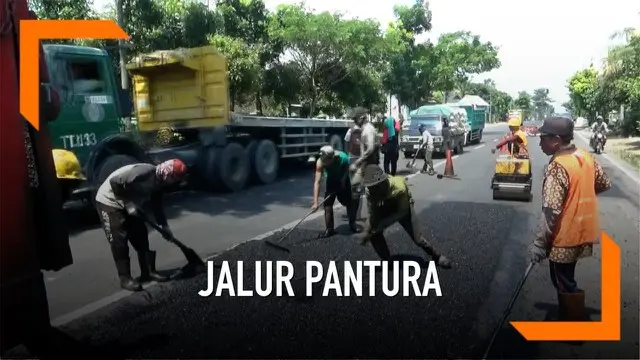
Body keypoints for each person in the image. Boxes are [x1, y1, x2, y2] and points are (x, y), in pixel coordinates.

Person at [530, 117, 611, 321]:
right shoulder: (585, 156)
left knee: (563, 281)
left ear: (556, 140)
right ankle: (569, 315)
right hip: (585, 229)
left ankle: (574, 327)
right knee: (566, 277)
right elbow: (603, 183)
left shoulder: (557, 167)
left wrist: (540, 244)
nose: (539, 143)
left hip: (565, 236)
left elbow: (551, 211)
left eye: (543, 139)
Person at [95, 158, 188, 291]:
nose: (175, 182)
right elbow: (114, 183)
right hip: (110, 200)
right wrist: (128, 204)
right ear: (168, 174)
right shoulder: (143, 173)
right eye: (175, 179)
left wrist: (164, 226)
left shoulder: (160, 182)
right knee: (119, 241)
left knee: (140, 234)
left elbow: (157, 206)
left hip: (130, 201)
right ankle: (125, 278)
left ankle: (148, 272)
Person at [359, 164, 452, 268]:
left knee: (418, 239)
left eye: (375, 187)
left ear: (383, 183)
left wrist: (383, 224)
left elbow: (401, 212)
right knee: (374, 233)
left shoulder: (399, 186)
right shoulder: (370, 191)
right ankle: (387, 260)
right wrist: (367, 231)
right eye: (371, 188)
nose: (373, 191)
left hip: (403, 208)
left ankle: (437, 256)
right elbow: (373, 213)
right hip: (384, 206)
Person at [312, 145, 359, 237]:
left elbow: (346, 171)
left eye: (327, 162)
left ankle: (352, 224)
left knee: (349, 202)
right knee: (327, 204)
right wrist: (315, 202)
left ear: (332, 158)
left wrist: (342, 183)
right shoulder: (320, 162)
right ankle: (329, 229)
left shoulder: (343, 158)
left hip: (343, 179)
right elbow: (317, 182)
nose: (325, 163)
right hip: (330, 180)